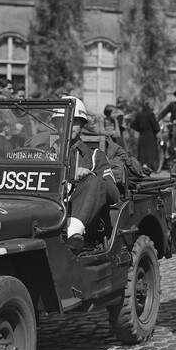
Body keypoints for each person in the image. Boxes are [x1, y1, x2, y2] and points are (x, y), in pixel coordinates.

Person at [60, 97, 119, 251]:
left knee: (94, 181)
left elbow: (114, 195)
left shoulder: (94, 156)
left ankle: (72, 233)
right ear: (55, 124)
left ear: (83, 125)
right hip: (46, 214)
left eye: (76, 121)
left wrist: (88, 177)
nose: (70, 124)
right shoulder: (43, 153)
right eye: (64, 119)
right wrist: (70, 174)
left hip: (85, 226)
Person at [130, 102, 160, 173]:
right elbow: (156, 127)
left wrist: (140, 130)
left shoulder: (139, 114)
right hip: (151, 136)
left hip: (142, 136)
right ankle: (149, 168)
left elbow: (133, 125)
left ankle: (143, 167)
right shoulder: (151, 114)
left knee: (142, 153)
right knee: (150, 153)